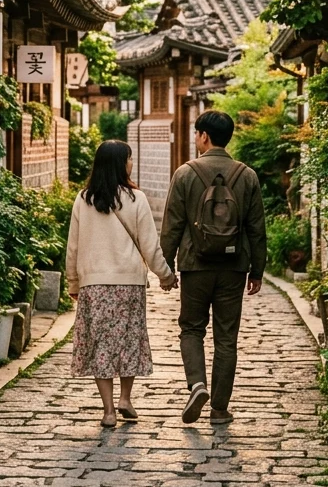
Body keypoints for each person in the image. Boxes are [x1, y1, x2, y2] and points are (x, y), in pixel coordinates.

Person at [161, 110, 267, 425]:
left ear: (204, 136)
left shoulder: (185, 173)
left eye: (196, 133)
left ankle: (196, 385)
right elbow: (257, 229)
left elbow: (172, 226)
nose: (196, 139)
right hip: (234, 268)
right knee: (226, 337)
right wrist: (257, 270)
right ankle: (219, 409)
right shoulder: (246, 175)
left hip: (195, 265)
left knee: (191, 328)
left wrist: (166, 269)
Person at [67, 140, 178, 428]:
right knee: (129, 341)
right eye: (129, 159)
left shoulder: (83, 199)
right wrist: (166, 275)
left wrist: (73, 282)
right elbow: (150, 246)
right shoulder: (136, 199)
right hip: (129, 284)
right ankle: (125, 398)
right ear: (120, 164)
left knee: (100, 344)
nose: (132, 164)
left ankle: (108, 411)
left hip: (94, 285)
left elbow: (73, 247)